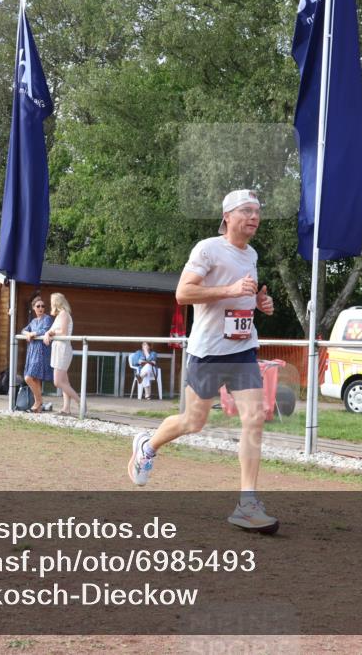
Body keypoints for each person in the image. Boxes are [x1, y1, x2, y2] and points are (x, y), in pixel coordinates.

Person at [127, 189, 278, 533]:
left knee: (254, 419)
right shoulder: (207, 249)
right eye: (246, 211)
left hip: (242, 350)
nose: (254, 217)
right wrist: (230, 290)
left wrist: (258, 303)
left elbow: (241, 297)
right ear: (227, 216)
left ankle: (247, 504)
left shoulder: (251, 254)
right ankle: (147, 446)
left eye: (257, 211)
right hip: (208, 352)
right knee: (193, 422)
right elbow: (183, 293)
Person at [43, 292, 80, 414]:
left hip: (63, 349)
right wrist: (48, 333)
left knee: (57, 382)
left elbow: (63, 333)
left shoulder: (64, 314)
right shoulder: (59, 316)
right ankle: (66, 408)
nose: (51, 305)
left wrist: (51, 333)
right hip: (58, 349)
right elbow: (51, 330)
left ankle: (80, 402)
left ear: (56, 303)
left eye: (52, 302)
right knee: (65, 382)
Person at [21, 295, 55, 413]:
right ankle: (38, 406)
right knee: (35, 379)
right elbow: (23, 330)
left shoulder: (47, 319)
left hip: (41, 352)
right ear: (34, 308)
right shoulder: (33, 321)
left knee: (28, 377)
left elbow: (45, 330)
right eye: (38, 306)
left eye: (43, 306)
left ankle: (38, 401)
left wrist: (33, 333)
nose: (41, 308)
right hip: (32, 351)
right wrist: (27, 334)